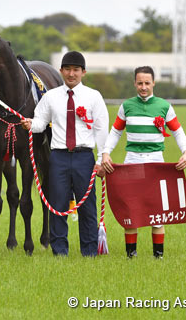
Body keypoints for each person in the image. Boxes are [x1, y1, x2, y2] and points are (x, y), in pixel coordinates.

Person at [20, 51, 109, 257]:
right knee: (57, 205)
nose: (71, 74)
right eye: (67, 69)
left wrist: (101, 159)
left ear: (83, 72)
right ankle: (59, 250)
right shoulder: (50, 96)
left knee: (87, 207)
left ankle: (89, 250)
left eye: (76, 70)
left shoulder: (93, 97)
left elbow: (101, 129)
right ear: (61, 71)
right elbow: (41, 123)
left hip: (84, 157)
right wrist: (30, 124)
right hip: (58, 157)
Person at [101, 66, 186, 259]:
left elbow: (177, 131)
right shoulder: (126, 106)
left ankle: (158, 256)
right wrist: (106, 153)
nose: (143, 87)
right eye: (139, 83)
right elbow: (116, 131)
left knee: (157, 213)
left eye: (147, 83)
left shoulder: (164, 106)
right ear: (134, 83)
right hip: (132, 161)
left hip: (156, 162)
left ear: (153, 83)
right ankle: (130, 256)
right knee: (131, 210)